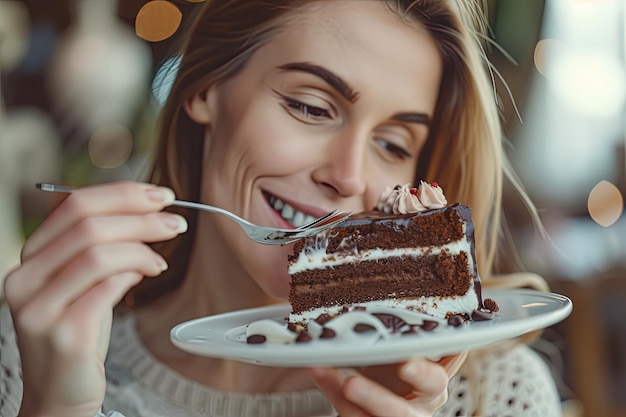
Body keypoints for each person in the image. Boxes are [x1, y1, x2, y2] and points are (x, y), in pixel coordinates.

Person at [0, 1, 563, 416]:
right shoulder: (31, 348)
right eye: (310, 107)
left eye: (393, 145)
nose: (347, 177)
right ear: (206, 88)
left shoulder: (494, 396)